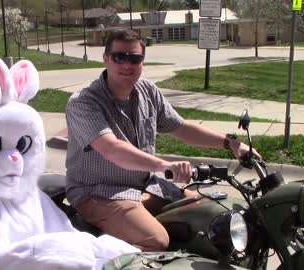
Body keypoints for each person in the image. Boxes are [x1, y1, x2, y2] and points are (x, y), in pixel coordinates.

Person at [65, 29, 259, 252]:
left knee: (212, 211)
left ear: (142, 62)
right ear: (106, 59)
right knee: (156, 241)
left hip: (145, 185)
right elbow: (111, 148)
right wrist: (163, 165)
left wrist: (232, 144)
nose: (127, 64)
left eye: (134, 58)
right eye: (119, 57)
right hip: (97, 192)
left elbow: (182, 128)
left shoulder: (147, 91)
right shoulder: (83, 102)